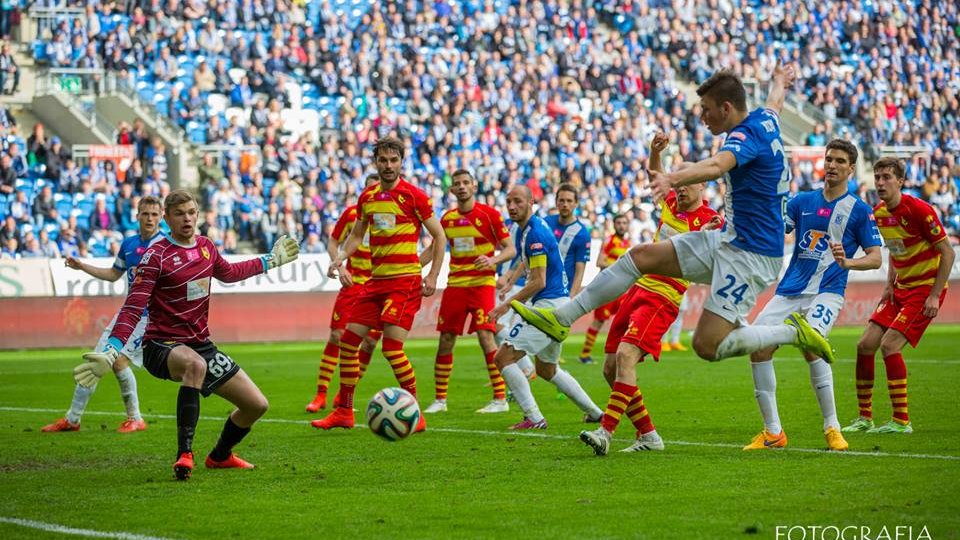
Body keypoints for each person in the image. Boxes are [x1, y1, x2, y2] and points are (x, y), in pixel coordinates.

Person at [511, 64, 834, 366]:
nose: (703, 117)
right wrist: (779, 81)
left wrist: (671, 178)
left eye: (707, 109)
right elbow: (775, 104)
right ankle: (562, 319)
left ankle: (792, 332)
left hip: (752, 255)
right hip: (731, 240)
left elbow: (717, 165)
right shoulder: (765, 119)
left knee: (707, 347)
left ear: (726, 108)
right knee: (641, 255)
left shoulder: (743, 136)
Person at [72, 190, 300, 480]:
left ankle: (220, 456)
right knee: (195, 365)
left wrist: (269, 261)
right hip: (160, 345)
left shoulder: (206, 247)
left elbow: (229, 272)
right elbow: (133, 306)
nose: (187, 218)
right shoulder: (155, 256)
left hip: (200, 344)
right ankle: (185, 454)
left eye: (191, 212)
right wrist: (112, 349)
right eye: (179, 214)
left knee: (256, 405)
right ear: (167, 219)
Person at [579, 133, 721, 455]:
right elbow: (656, 177)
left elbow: (716, 251)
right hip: (637, 288)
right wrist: (655, 152)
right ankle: (649, 436)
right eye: (679, 182)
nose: (681, 187)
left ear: (703, 185)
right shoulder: (670, 204)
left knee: (627, 357)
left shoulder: (711, 221)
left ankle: (605, 432)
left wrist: (711, 238)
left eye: (689, 182)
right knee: (610, 368)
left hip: (664, 297)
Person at [744, 140, 882, 452]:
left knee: (812, 346)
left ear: (850, 168)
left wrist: (848, 262)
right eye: (829, 159)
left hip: (826, 293)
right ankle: (773, 433)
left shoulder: (859, 211)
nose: (832, 165)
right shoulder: (802, 201)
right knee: (758, 350)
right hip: (790, 290)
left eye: (840, 161)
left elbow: (875, 258)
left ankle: (832, 427)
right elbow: (776, 229)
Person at [313, 136, 446, 432]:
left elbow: (439, 236)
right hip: (374, 283)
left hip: (405, 283)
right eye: (383, 160)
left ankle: (416, 413)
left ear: (401, 162)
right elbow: (357, 236)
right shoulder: (368, 197)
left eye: (393, 160)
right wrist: (341, 258)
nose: (388, 165)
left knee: (392, 347)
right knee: (348, 342)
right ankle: (344, 412)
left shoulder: (415, 196)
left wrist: (433, 275)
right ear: (375, 162)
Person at [843, 157, 954, 434]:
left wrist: (934, 294)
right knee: (865, 344)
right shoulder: (879, 213)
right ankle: (864, 418)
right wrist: (890, 283)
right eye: (878, 177)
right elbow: (895, 249)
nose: (880, 183)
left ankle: (901, 421)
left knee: (889, 345)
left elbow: (948, 253)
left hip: (924, 290)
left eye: (887, 178)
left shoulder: (919, 210)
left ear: (901, 181)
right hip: (900, 289)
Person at [42, 196, 165, 434]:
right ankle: (73, 419)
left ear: (161, 217)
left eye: (154, 214)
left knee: (117, 360)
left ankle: (135, 418)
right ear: (137, 215)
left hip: (150, 317)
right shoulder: (129, 244)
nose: (149, 218)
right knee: (98, 360)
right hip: (128, 313)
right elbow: (113, 274)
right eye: (145, 214)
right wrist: (82, 266)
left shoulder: (167, 246)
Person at [488, 185, 603, 430]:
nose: (511, 206)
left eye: (517, 201)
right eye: (508, 202)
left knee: (503, 358)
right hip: (556, 306)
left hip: (547, 308)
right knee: (547, 369)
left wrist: (506, 305)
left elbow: (538, 280)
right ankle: (594, 412)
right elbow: (527, 261)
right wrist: (510, 279)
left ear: (531, 202)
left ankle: (534, 417)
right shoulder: (526, 230)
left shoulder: (536, 233)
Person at [422, 169, 516, 415]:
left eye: (466, 183)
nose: (461, 187)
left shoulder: (490, 215)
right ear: (452, 190)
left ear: (474, 187)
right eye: (457, 184)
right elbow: (433, 250)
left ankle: (499, 398)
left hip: (482, 284)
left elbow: (510, 249)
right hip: (456, 286)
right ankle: (440, 400)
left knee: (486, 336)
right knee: (445, 340)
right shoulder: (447, 219)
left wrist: (493, 260)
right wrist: (411, 268)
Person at [305, 174, 382, 413]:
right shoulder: (352, 214)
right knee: (337, 336)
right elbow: (333, 242)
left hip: (381, 286)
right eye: (369, 190)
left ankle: (344, 395)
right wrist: (340, 267)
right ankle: (320, 395)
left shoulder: (392, 215)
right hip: (353, 285)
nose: (373, 195)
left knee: (369, 342)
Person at [578, 213, 631, 364]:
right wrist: (620, 267)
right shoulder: (609, 241)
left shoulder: (627, 242)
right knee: (599, 321)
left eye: (624, 223)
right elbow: (599, 262)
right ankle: (584, 354)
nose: (621, 225)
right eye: (619, 222)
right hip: (607, 288)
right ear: (614, 225)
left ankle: (621, 354)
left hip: (621, 289)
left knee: (626, 319)